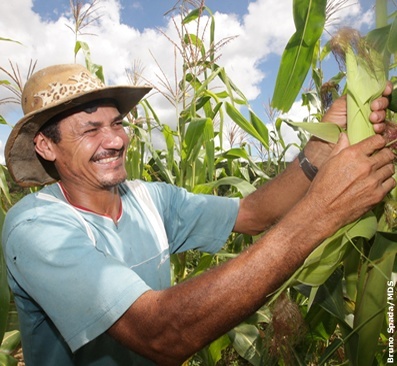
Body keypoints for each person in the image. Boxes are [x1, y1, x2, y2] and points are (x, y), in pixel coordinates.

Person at [2, 63, 395, 366]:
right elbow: (161, 335)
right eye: (91, 129)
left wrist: (319, 149)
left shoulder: (150, 199)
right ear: (45, 146)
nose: (116, 140)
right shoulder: (37, 229)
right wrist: (321, 212)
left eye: (118, 123)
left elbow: (253, 212)